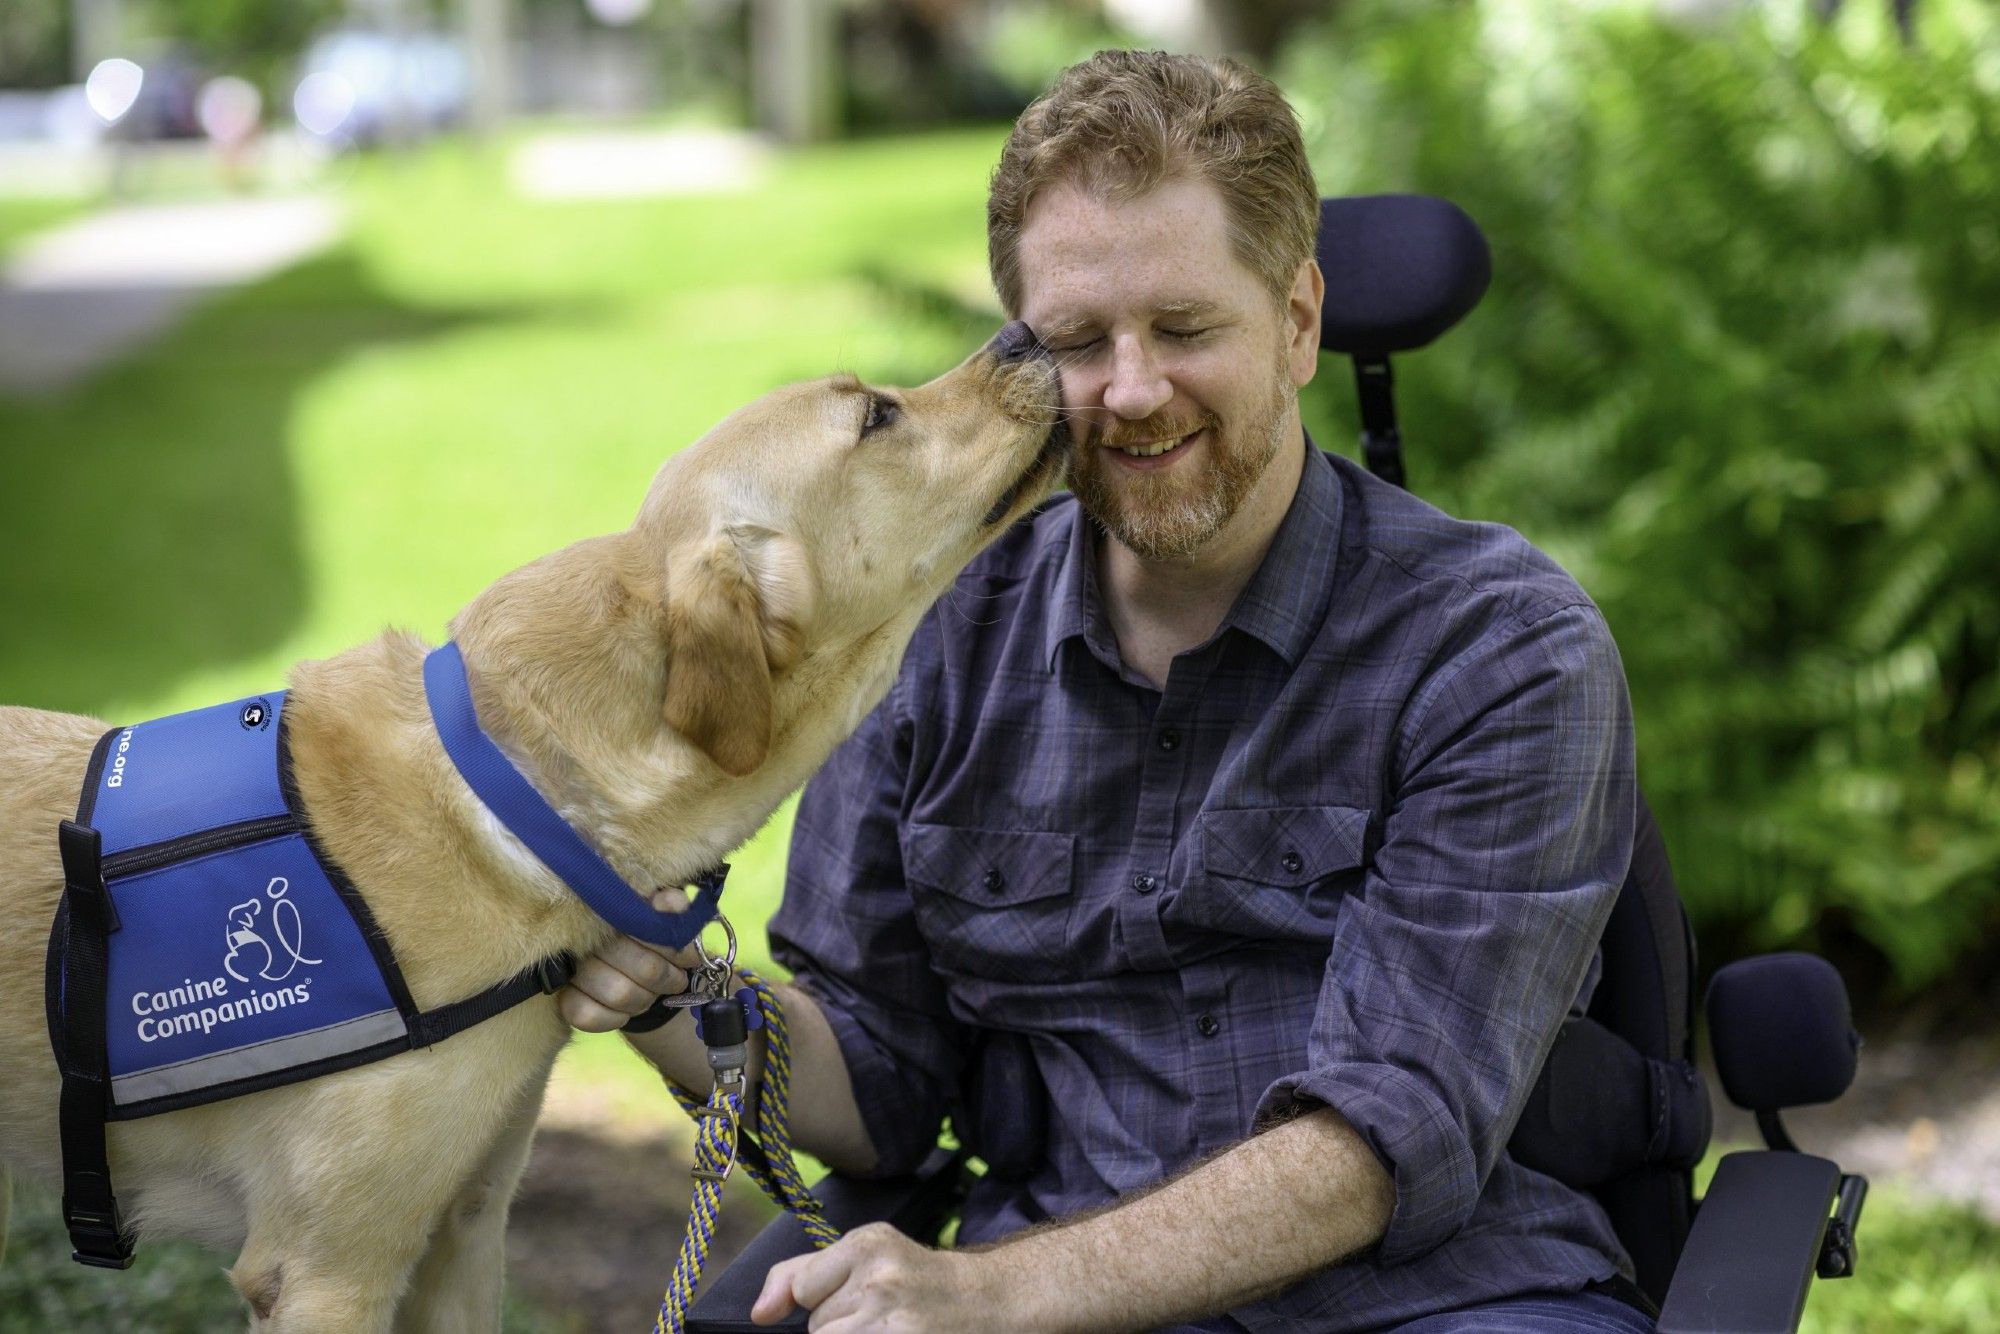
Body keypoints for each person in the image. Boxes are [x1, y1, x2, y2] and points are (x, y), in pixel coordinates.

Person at [561, 50, 1652, 1333]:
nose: (1130, 392)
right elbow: (882, 1076)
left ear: (1296, 321)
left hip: (1441, 1302)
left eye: (1185, 329)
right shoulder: (931, 640)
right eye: (1077, 340)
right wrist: (667, 993)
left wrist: (993, 1292)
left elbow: (1380, 1138)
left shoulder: (1496, 647)